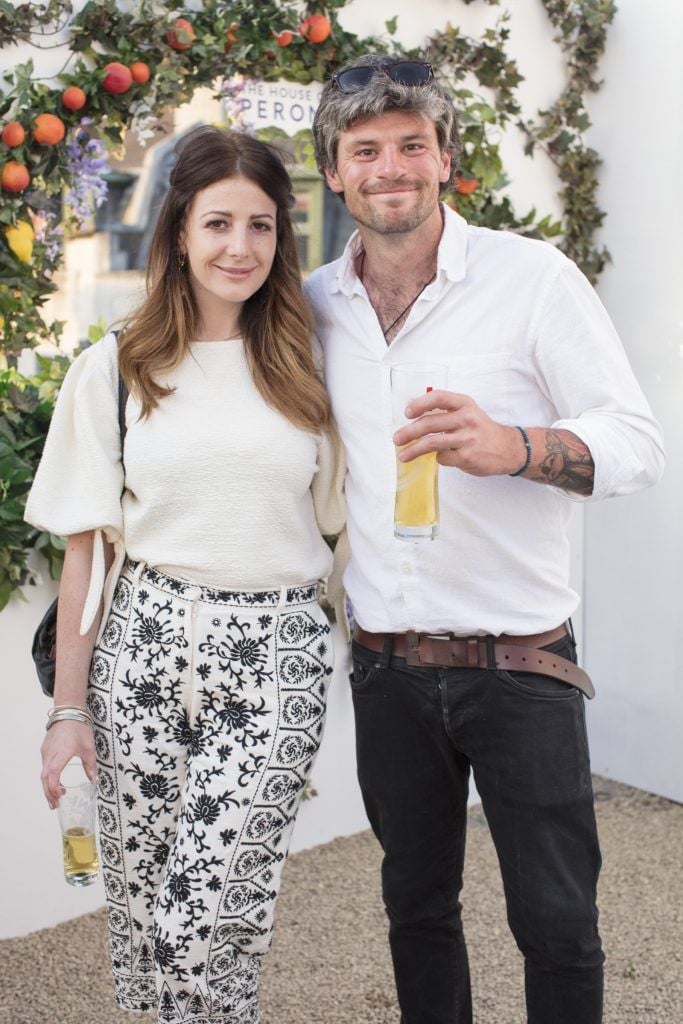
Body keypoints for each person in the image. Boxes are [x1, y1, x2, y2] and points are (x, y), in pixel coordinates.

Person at [306, 54, 664, 1024]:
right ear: (333, 172)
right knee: (414, 909)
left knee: (555, 923)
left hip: (520, 669)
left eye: (411, 144)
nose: (390, 167)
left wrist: (513, 445)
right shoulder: (309, 307)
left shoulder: (529, 279)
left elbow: (635, 445)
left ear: (444, 159)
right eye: (365, 149)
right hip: (383, 667)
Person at [25, 124, 344, 1024]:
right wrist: (67, 713)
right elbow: (85, 551)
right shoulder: (115, 369)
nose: (240, 247)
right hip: (145, 645)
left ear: (282, 237)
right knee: (141, 922)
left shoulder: (312, 371)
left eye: (262, 225)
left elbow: (350, 525)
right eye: (217, 224)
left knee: (199, 921)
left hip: (274, 650)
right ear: (177, 231)